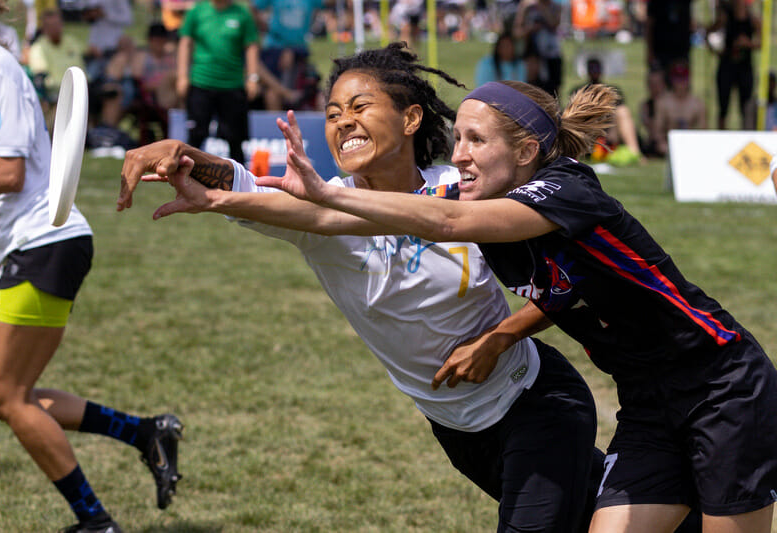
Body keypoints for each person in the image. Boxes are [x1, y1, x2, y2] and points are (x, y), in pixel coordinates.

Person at [119, 43, 603, 532]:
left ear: (411, 118)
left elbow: (572, 279)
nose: (343, 122)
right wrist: (180, 153)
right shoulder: (318, 210)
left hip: (536, 404)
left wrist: (501, 337)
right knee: (601, 516)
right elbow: (243, 186)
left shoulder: (463, 191)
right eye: (332, 114)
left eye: (359, 107)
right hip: (458, 431)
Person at [258, 79, 777, 532]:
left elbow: (444, 224)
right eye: (458, 137)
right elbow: (363, 221)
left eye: (476, 140)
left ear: (526, 150)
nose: (458, 154)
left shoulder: (566, 190)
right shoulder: (485, 202)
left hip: (722, 387)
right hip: (646, 402)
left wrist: (329, 195)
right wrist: (223, 196)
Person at [0, 2, 183, 531]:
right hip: (26, 243)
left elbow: (10, 172)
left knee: (2, 392)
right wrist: (1, 242)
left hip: (48, 241)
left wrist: (14, 236)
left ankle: (95, 522)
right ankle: (145, 433)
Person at [177, 0, 259, 163]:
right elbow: (185, 43)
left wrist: (252, 78)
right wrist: (182, 76)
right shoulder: (197, 11)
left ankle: (239, 183)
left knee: (235, 139)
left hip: (232, 85)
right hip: (201, 82)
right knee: (196, 135)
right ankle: (186, 180)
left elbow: (251, 46)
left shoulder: (242, 14)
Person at [570, 56, 643, 165]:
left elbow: (618, 111)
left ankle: (635, 152)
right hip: (589, 136)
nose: (594, 72)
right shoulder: (579, 91)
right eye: (592, 69)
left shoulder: (612, 90)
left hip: (610, 134)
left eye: (597, 69)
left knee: (622, 111)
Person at [707, 0, 760, 130]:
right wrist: (715, 51)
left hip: (745, 68)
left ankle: (746, 135)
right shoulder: (725, 18)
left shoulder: (753, 20)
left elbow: (761, 42)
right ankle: (721, 135)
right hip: (727, 67)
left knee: (745, 108)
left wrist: (748, 44)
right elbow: (708, 32)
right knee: (723, 106)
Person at [652, 61, 706, 156]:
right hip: (669, 144)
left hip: (691, 144)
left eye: (683, 79)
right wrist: (662, 144)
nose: (680, 83)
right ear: (672, 80)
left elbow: (703, 130)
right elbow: (658, 130)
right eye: (677, 79)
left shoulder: (698, 104)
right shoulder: (663, 102)